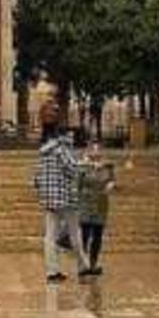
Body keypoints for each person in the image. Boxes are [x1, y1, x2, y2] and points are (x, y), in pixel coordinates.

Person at [33, 118, 81, 285]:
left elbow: (37, 177)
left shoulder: (43, 151)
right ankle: (83, 265)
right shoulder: (61, 150)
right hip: (63, 196)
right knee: (74, 230)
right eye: (70, 136)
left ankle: (51, 271)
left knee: (49, 235)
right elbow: (74, 168)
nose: (72, 139)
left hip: (48, 197)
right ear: (63, 136)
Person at [75, 132, 115, 279]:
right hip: (85, 203)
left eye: (98, 149)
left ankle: (93, 264)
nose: (96, 152)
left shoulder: (107, 166)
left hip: (101, 204)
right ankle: (82, 265)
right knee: (85, 235)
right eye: (93, 149)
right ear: (88, 150)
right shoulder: (82, 166)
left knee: (98, 236)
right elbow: (76, 185)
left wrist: (110, 185)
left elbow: (111, 179)